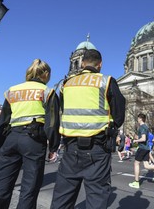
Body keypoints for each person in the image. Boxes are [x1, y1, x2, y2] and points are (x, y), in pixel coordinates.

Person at [51, 49, 125, 209]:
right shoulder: (107, 81)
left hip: (70, 149)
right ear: (100, 65)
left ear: (82, 63)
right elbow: (119, 115)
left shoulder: (66, 84)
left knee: (62, 199)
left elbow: (64, 109)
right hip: (98, 148)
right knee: (96, 199)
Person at [0, 59, 60, 209]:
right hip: (34, 140)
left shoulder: (12, 90)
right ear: (45, 74)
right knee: (29, 190)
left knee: (1, 187)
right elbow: (52, 122)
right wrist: (53, 147)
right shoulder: (48, 91)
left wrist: (0, 144)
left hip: (11, 138)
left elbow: (3, 120)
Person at [128, 113, 154, 189]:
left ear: (140, 119)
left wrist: (136, 140)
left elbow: (143, 139)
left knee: (136, 164)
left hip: (142, 147)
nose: (137, 120)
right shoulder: (146, 127)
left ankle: (136, 182)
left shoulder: (142, 127)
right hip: (147, 148)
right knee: (147, 166)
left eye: (138, 118)